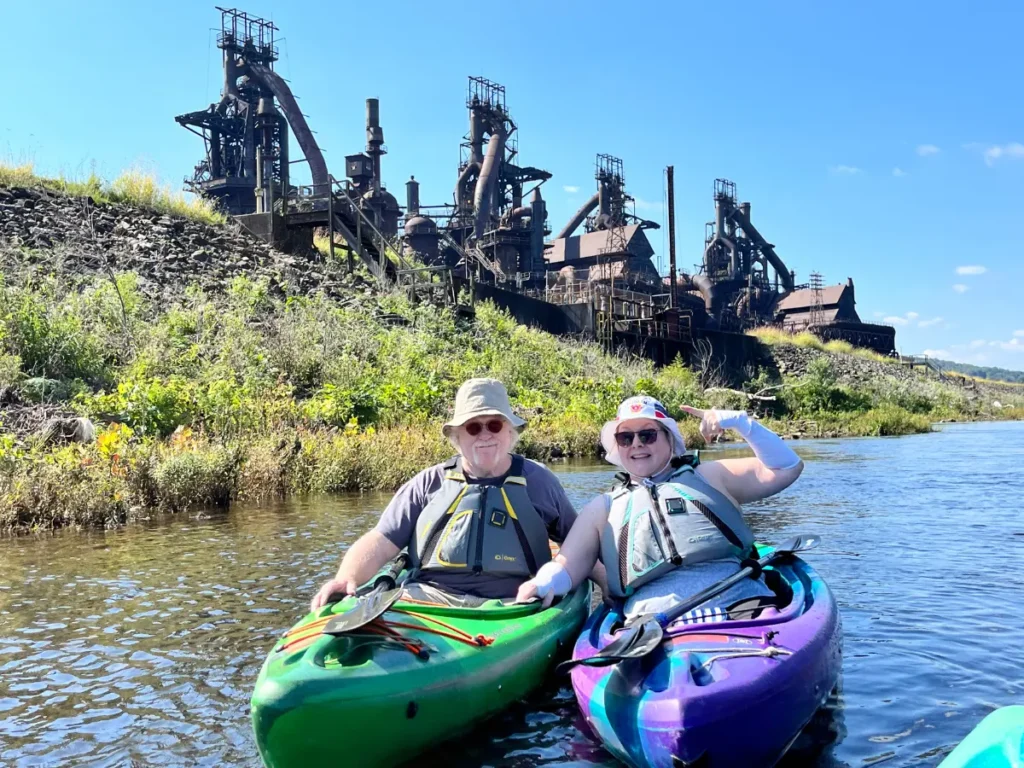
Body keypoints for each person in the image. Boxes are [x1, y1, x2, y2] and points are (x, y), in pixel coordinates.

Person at [310, 377, 603, 610]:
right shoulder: (428, 483)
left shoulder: (539, 482)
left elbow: (582, 547)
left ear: (510, 432)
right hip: (426, 600)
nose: (485, 434)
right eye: (474, 427)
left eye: (495, 424)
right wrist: (346, 578)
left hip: (514, 604)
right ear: (457, 437)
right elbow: (381, 540)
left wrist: (614, 592)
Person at [515, 395, 804, 623]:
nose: (636, 444)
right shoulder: (602, 508)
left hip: (740, 603)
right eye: (625, 438)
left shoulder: (711, 477)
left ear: (669, 439)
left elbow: (787, 467)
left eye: (648, 434)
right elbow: (567, 566)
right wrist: (542, 584)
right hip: (651, 623)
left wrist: (741, 422)